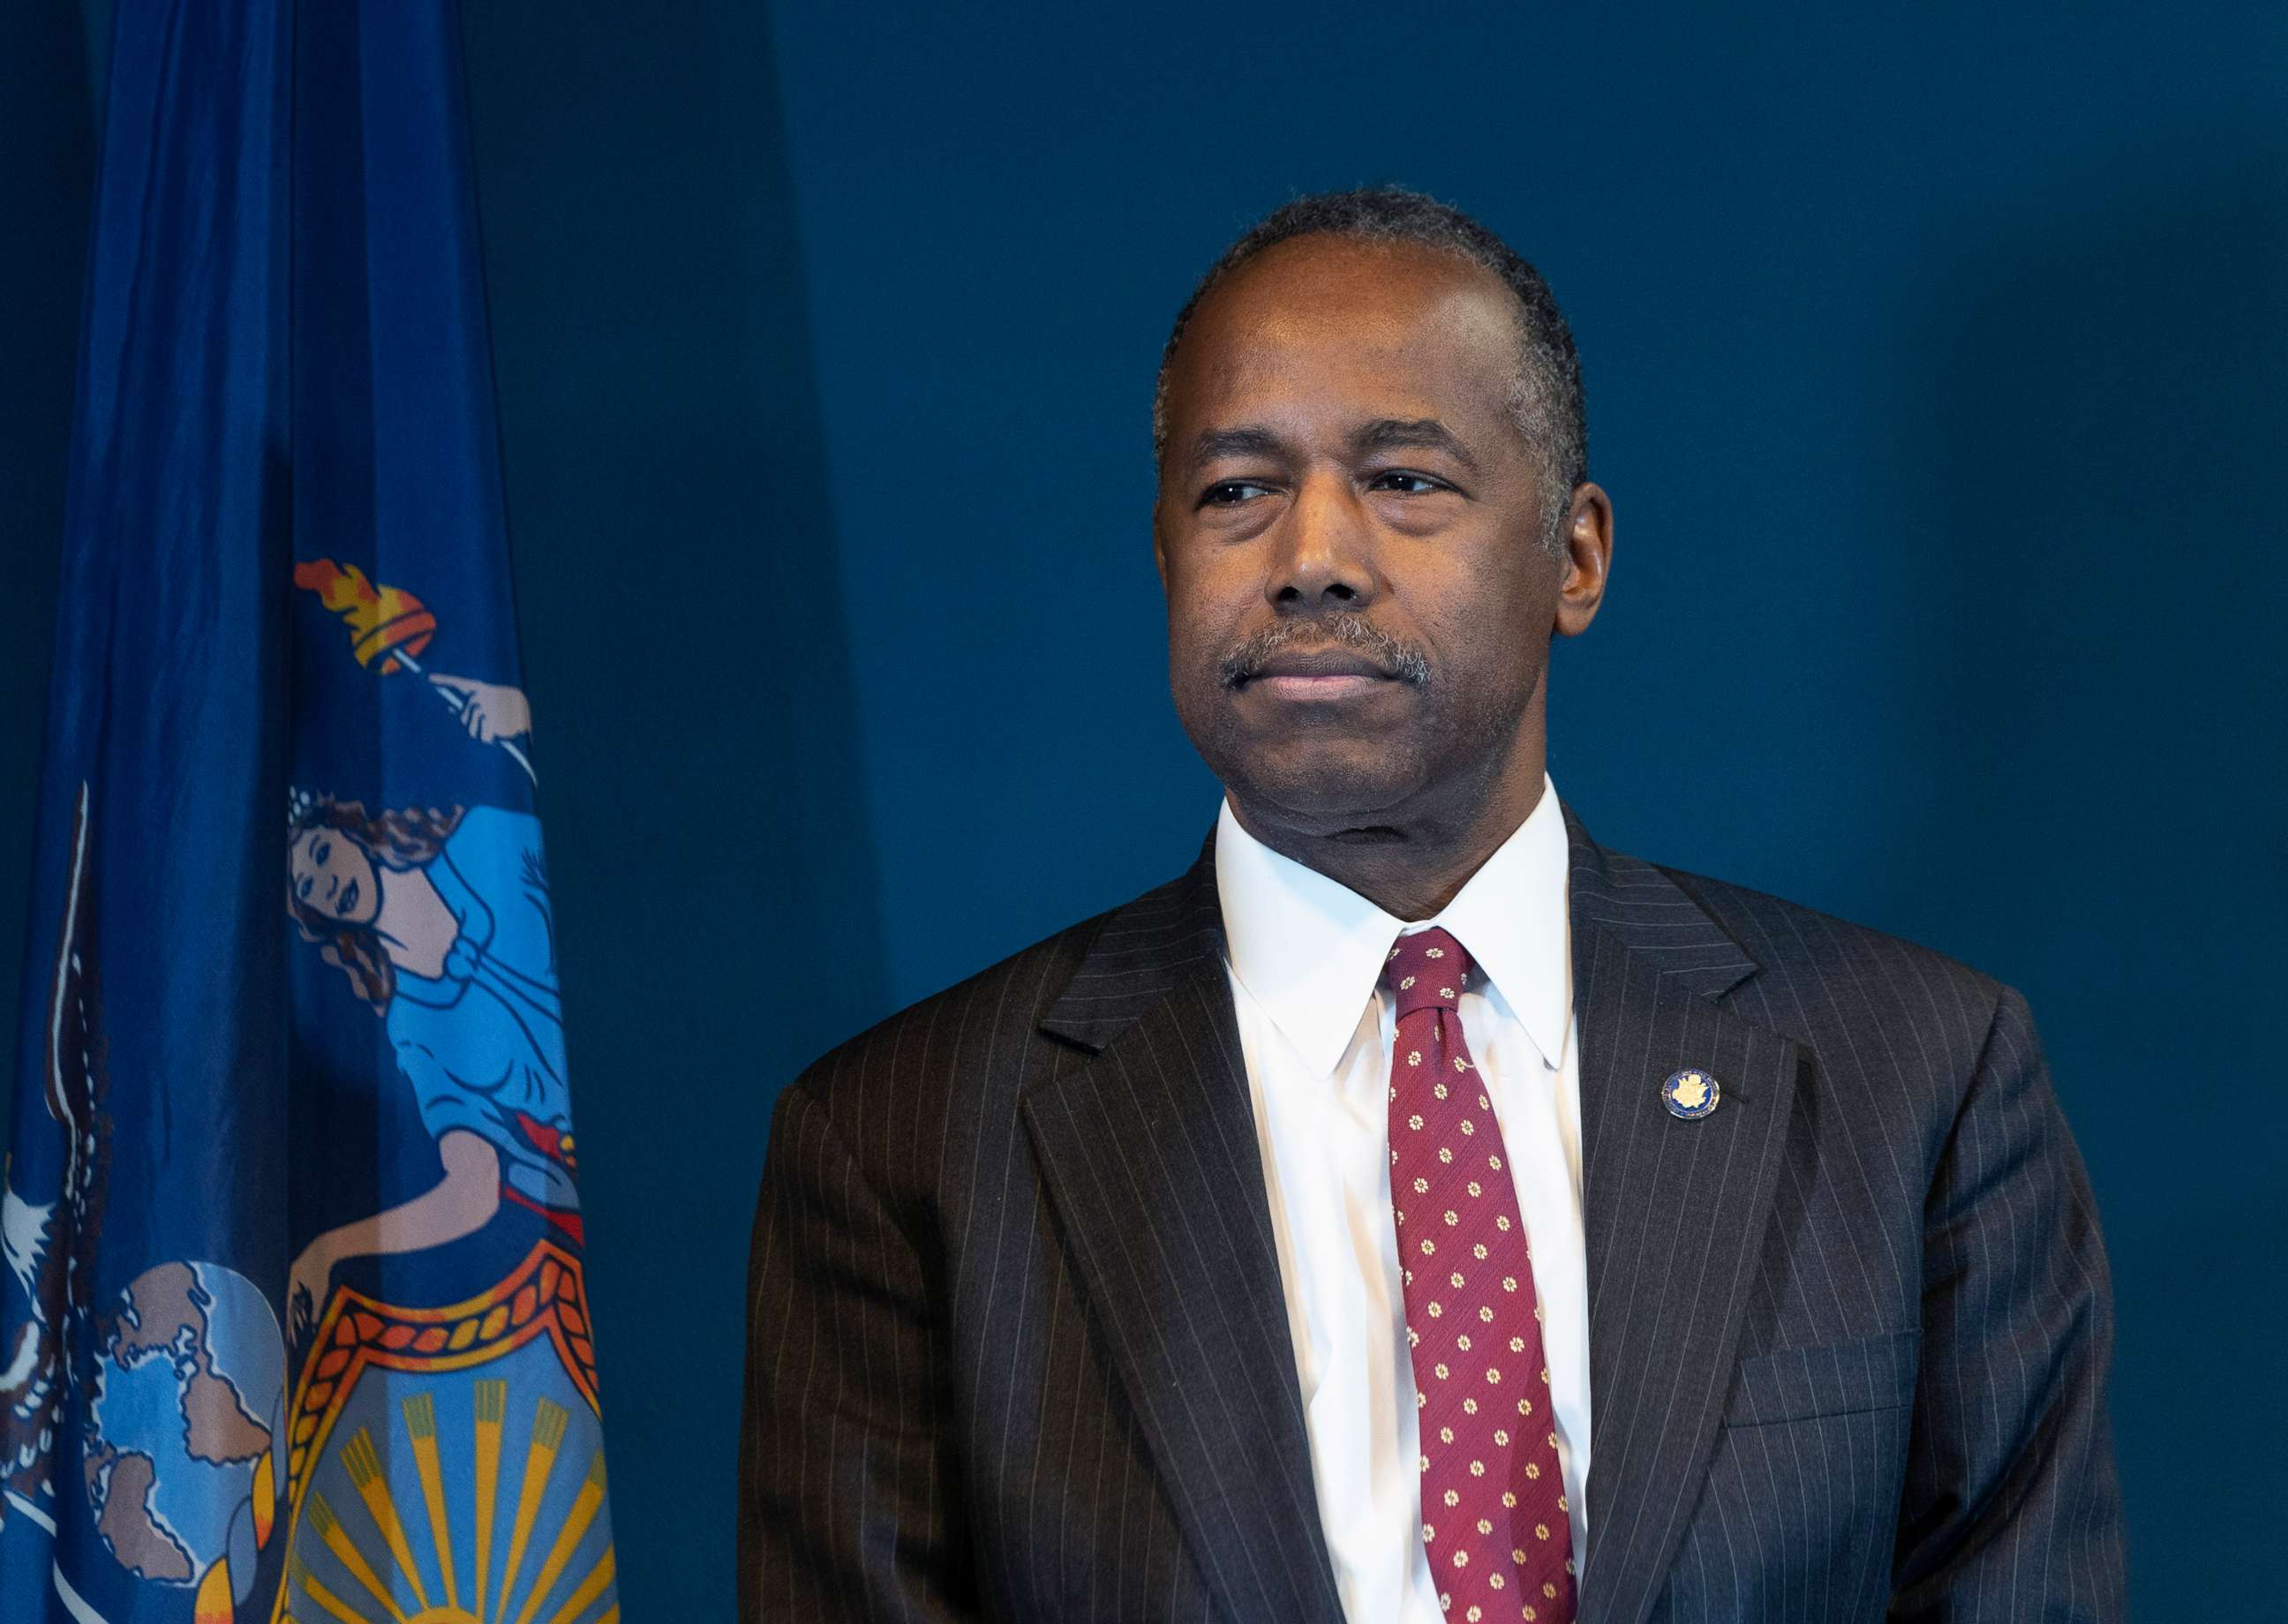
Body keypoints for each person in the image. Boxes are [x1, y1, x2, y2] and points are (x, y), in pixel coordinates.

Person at [737, 188, 2125, 1623]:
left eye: (1403, 479)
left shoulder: (1918, 1076)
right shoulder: (899, 1145)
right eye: (1235, 491)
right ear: (1162, 559)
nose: (1312, 555)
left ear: (1572, 559)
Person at [284, 770, 580, 1339]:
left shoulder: (483, 842)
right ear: (320, 919)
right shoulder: (413, 1030)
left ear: (350, 832)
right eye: (308, 888)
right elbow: (472, 1192)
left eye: (322, 853)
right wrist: (327, 1250)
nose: (325, 881)